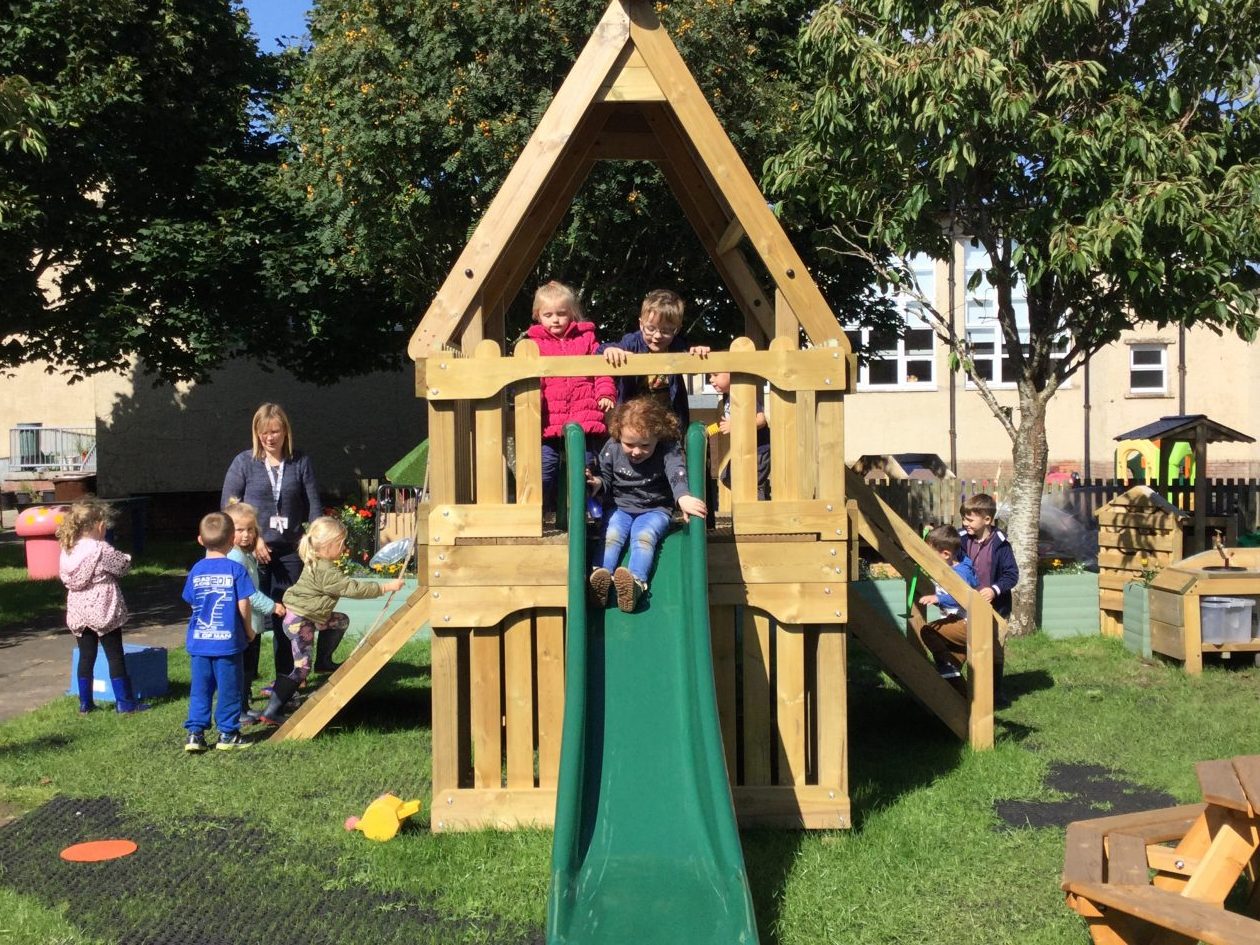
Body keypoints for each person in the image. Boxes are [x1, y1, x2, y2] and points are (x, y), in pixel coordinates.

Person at [255, 516, 403, 726]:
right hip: (300, 621)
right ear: (328, 545)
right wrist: (385, 587)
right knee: (301, 669)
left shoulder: (318, 561)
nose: (344, 548)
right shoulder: (326, 570)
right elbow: (352, 588)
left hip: (310, 616)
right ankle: (272, 711)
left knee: (339, 620)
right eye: (341, 544)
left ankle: (324, 662)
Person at [221, 403, 321, 682]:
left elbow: (313, 505)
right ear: (256, 433)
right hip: (252, 553)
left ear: (285, 431)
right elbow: (229, 507)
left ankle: (285, 680)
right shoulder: (244, 462)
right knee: (251, 613)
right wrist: (254, 539)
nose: (269, 438)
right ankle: (245, 681)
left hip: (290, 553)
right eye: (264, 432)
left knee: (285, 616)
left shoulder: (300, 461)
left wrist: (314, 541)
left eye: (275, 431)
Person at [586, 398, 707, 613]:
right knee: (612, 533)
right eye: (629, 444)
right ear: (619, 435)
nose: (636, 451)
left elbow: (676, 472)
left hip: (655, 509)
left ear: (658, 437)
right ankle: (599, 579)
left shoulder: (667, 449)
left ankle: (635, 584)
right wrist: (596, 483)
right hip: (620, 507)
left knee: (644, 536)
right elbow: (604, 477)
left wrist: (682, 497)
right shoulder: (612, 447)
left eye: (645, 445)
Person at [526, 280, 616, 514]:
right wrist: (532, 403)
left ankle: (587, 503)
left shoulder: (586, 339)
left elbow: (601, 369)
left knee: (584, 466)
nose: (555, 320)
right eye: (548, 315)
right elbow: (531, 379)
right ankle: (542, 509)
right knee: (546, 467)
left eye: (561, 314)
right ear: (538, 316)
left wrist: (605, 392)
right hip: (549, 418)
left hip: (582, 415)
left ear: (572, 313)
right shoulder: (533, 345)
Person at [57, 499, 151, 714]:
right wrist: (127, 557)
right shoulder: (100, 549)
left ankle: (85, 703)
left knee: (86, 655)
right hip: (103, 608)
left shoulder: (67, 549)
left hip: (78, 609)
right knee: (114, 655)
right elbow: (122, 567)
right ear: (99, 526)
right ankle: (125, 702)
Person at [182, 511, 256, 752]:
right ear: (232, 539)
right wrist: (248, 629)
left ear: (200, 540)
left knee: (200, 689)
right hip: (228, 644)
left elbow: (192, 601)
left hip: (200, 643)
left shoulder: (196, 570)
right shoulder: (236, 570)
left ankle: (195, 734)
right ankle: (228, 734)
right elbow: (243, 604)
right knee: (229, 689)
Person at [601, 289, 710, 430]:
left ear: (677, 330)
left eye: (666, 331)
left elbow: (691, 357)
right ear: (641, 324)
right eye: (651, 329)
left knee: (672, 439)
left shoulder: (677, 345)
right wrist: (610, 350)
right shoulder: (632, 342)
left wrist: (698, 353)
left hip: (667, 417)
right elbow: (601, 351)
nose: (657, 336)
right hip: (632, 415)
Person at [224, 501, 285, 725]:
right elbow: (247, 593)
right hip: (242, 622)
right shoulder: (235, 557)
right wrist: (272, 606)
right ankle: (237, 710)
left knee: (248, 668)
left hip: (251, 621)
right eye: (240, 530)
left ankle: (243, 706)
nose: (246, 535)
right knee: (241, 668)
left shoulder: (244, 553)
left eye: (250, 529)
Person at [957, 493, 1019, 707]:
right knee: (967, 644)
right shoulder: (960, 539)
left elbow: (1011, 575)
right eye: (964, 518)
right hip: (965, 605)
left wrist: (994, 590)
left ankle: (995, 692)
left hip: (996, 607)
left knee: (995, 649)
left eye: (970, 519)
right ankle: (964, 687)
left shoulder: (1001, 544)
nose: (965, 523)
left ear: (987, 520)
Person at [916, 525, 980, 696]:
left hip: (968, 623)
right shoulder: (948, 564)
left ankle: (948, 666)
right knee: (952, 670)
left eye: (930, 554)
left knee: (928, 631)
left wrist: (939, 599)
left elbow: (962, 597)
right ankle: (963, 699)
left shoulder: (960, 573)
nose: (928, 558)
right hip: (959, 620)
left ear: (945, 554)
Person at [707, 370, 771, 501]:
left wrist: (735, 426)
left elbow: (761, 420)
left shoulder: (744, 395)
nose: (711, 380)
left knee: (753, 485)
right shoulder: (728, 398)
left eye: (715, 375)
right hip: (743, 450)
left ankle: (758, 511)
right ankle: (751, 503)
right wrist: (708, 431)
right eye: (709, 376)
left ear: (732, 374)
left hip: (758, 450)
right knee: (727, 477)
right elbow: (724, 423)